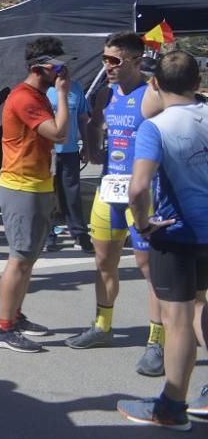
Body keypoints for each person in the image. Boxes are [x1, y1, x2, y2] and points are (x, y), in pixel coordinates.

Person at [117, 51, 208, 430]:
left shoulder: (154, 127)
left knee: (179, 319)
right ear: (197, 82)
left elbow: (138, 188)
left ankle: (172, 405)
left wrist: (141, 223)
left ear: (154, 84)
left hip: (177, 233)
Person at [66, 32, 165, 378]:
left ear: (137, 61)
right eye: (104, 58)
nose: (106, 66)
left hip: (145, 194)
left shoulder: (153, 94)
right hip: (109, 190)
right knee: (103, 261)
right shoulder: (106, 94)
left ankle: (157, 341)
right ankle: (102, 325)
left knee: (149, 268)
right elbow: (94, 123)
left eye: (114, 60)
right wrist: (93, 147)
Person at [0, 37, 71, 353]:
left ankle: (15, 316)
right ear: (44, 66)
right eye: (59, 64)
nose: (64, 70)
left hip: (35, 186)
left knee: (28, 259)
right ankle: (2, 328)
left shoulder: (36, 94)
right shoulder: (26, 97)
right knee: (19, 260)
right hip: (21, 187)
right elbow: (59, 133)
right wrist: (62, 93)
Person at [45, 74, 93, 252]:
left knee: (72, 195)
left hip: (70, 151)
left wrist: (87, 146)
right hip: (47, 152)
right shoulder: (43, 89)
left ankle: (80, 234)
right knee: (48, 195)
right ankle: (49, 234)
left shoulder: (76, 88)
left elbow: (82, 119)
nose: (62, 71)